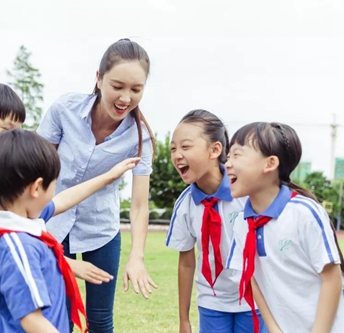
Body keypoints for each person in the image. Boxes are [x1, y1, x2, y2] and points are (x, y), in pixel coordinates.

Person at [0, 80, 113, 333]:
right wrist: (66, 263)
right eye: (6, 129)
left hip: (8, 294)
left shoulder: (11, 193)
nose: (11, 139)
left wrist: (108, 176)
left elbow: (56, 203)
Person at [37, 38, 157, 332]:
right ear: (99, 78)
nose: (125, 98)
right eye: (118, 86)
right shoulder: (65, 109)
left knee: (100, 321)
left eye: (136, 89)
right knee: (58, 315)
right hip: (53, 222)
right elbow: (35, 169)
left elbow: (140, 206)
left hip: (101, 229)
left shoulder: (140, 138)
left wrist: (137, 257)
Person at [0, 129, 140, 333]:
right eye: (54, 184)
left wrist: (108, 177)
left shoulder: (22, 220)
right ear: (37, 188)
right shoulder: (19, 246)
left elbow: (64, 200)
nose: (55, 192)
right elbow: (32, 320)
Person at [225, 122, 344, 333]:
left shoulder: (304, 212)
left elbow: (332, 278)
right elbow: (252, 279)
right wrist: (273, 328)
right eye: (228, 156)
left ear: (269, 164)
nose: (227, 163)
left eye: (237, 155)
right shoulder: (242, 222)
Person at [165, 110, 266, 333]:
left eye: (186, 146)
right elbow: (186, 262)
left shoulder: (245, 193)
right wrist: (184, 320)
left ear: (215, 150)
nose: (177, 155)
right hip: (211, 300)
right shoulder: (185, 204)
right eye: (173, 148)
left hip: (254, 298)